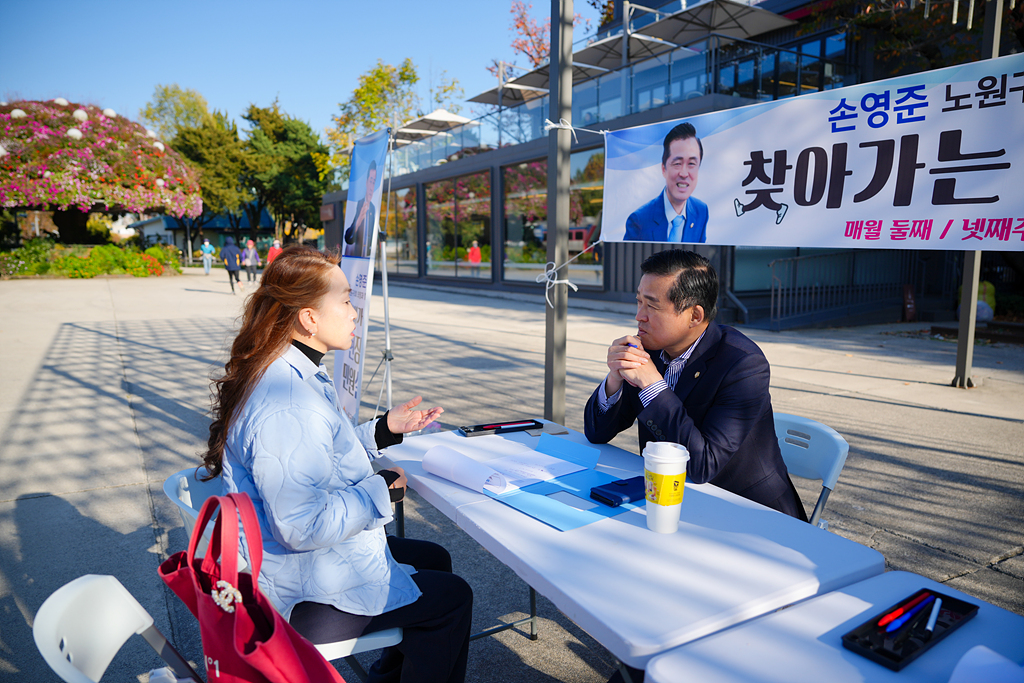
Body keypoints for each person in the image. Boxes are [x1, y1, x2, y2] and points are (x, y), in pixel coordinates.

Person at [201, 245, 473, 683]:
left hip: (293, 568)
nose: (354, 312)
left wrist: (384, 429)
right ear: (309, 318)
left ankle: (391, 674)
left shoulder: (286, 369)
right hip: (293, 597)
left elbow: (318, 457)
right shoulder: (289, 402)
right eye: (345, 301)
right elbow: (302, 525)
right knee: (453, 598)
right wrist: (380, 489)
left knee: (435, 558)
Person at [584, 249, 805, 519]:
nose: (639, 316)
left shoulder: (743, 364)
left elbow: (703, 465)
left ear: (695, 316)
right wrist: (615, 378)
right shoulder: (650, 348)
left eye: (652, 306)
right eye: (639, 301)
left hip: (748, 512)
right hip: (667, 498)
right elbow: (596, 433)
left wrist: (653, 385)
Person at [624, 123, 708, 244]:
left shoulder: (701, 211)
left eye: (691, 164)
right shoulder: (639, 220)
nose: (684, 173)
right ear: (664, 169)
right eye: (677, 163)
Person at [344, 161, 378, 257]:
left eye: (374, 182)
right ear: (366, 182)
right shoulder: (358, 204)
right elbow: (348, 239)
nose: (371, 187)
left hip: (368, 258)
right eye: (370, 181)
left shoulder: (373, 208)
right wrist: (359, 220)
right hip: (356, 258)